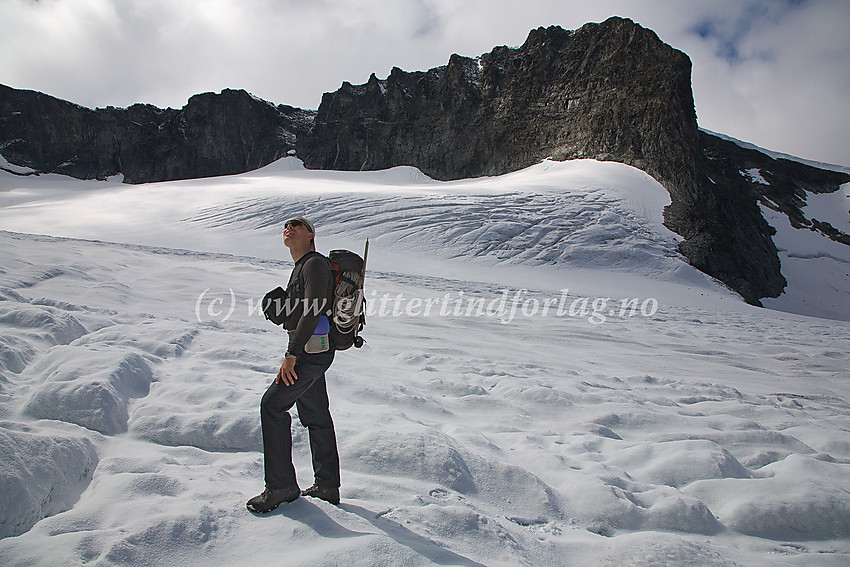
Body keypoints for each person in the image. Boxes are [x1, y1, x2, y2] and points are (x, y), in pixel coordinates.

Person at [247, 216, 341, 513]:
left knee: (272, 406)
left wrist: (291, 353)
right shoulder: (301, 267)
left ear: (311, 234)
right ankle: (327, 486)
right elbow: (301, 310)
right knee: (315, 416)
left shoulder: (314, 263)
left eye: (297, 225)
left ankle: (281, 487)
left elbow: (313, 311)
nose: (289, 228)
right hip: (311, 350)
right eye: (286, 226)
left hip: (310, 352)